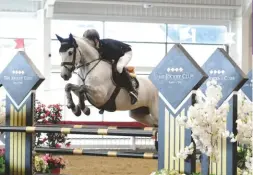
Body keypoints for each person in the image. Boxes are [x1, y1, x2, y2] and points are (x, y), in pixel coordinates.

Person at [83, 29, 138, 105]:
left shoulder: (107, 45)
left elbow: (117, 56)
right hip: (115, 55)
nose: (88, 44)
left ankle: (132, 90)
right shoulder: (96, 47)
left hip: (125, 53)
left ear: (95, 40)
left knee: (119, 67)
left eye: (89, 42)